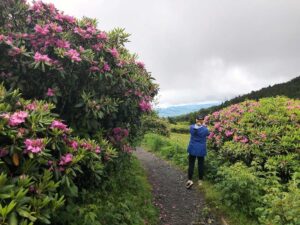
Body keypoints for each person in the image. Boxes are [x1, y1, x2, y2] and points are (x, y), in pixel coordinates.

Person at [185, 115, 209, 189]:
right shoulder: (205, 129)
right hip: (201, 149)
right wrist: (204, 126)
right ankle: (200, 181)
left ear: (196, 120)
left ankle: (189, 180)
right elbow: (208, 134)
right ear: (203, 120)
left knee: (191, 164)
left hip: (192, 148)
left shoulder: (191, 127)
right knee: (200, 165)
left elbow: (193, 130)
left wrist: (199, 126)